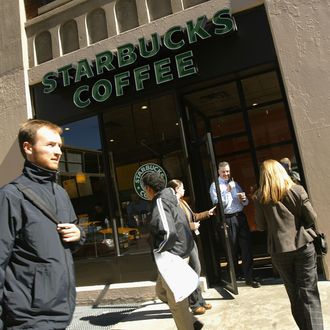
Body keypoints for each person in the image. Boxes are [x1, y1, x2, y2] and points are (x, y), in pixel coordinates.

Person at [0, 119, 85, 329]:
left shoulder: (61, 193)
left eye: (59, 146)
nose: (58, 152)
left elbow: (72, 237)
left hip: (62, 309)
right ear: (28, 148)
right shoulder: (11, 196)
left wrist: (78, 234)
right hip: (28, 317)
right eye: (50, 145)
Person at [253, 159, 323, 329]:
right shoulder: (297, 190)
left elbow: (261, 226)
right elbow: (312, 217)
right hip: (302, 245)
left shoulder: (259, 197)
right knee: (309, 293)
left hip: (279, 250)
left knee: (294, 295)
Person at [142, 172, 203, 330]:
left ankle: (188, 326)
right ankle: (193, 321)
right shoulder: (171, 197)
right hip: (180, 253)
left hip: (173, 258)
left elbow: (169, 233)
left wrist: (159, 250)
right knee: (161, 291)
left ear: (149, 189)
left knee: (177, 303)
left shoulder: (161, 202)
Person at [209, 161, 260, 288]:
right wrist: (227, 191)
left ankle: (250, 277)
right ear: (218, 172)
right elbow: (219, 206)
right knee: (232, 249)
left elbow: (245, 202)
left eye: (228, 171)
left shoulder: (235, 183)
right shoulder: (214, 186)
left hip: (240, 217)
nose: (226, 174)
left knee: (246, 248)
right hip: (228, 219)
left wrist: (243, 199)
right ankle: (235, 276)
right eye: (224, 172)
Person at [168, 179, 215, 315]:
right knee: (191, 272)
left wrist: (208, 213)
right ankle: (194, 304)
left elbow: (193, 216)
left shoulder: (182, 202)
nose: (184, 190)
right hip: (182, 244)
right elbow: (175, 225)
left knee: (196, 269)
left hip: (190, 241)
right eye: (182, 188)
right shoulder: (172, 205)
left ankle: (200, 300)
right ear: (176, 189)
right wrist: (190, 226)